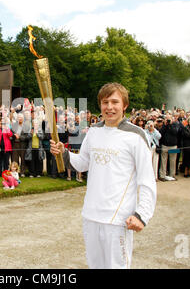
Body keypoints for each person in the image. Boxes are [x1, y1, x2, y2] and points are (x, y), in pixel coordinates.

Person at [50, 82, 156, 269]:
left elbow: (147, 180)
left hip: (118, 219)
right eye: (105, 102)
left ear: (124, 105)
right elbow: (83, 162)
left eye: (115, 102)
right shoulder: (94, 131)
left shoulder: (136, 136)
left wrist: (142, 215)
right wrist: (64, 154)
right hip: (91, 214)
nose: (109, 107)